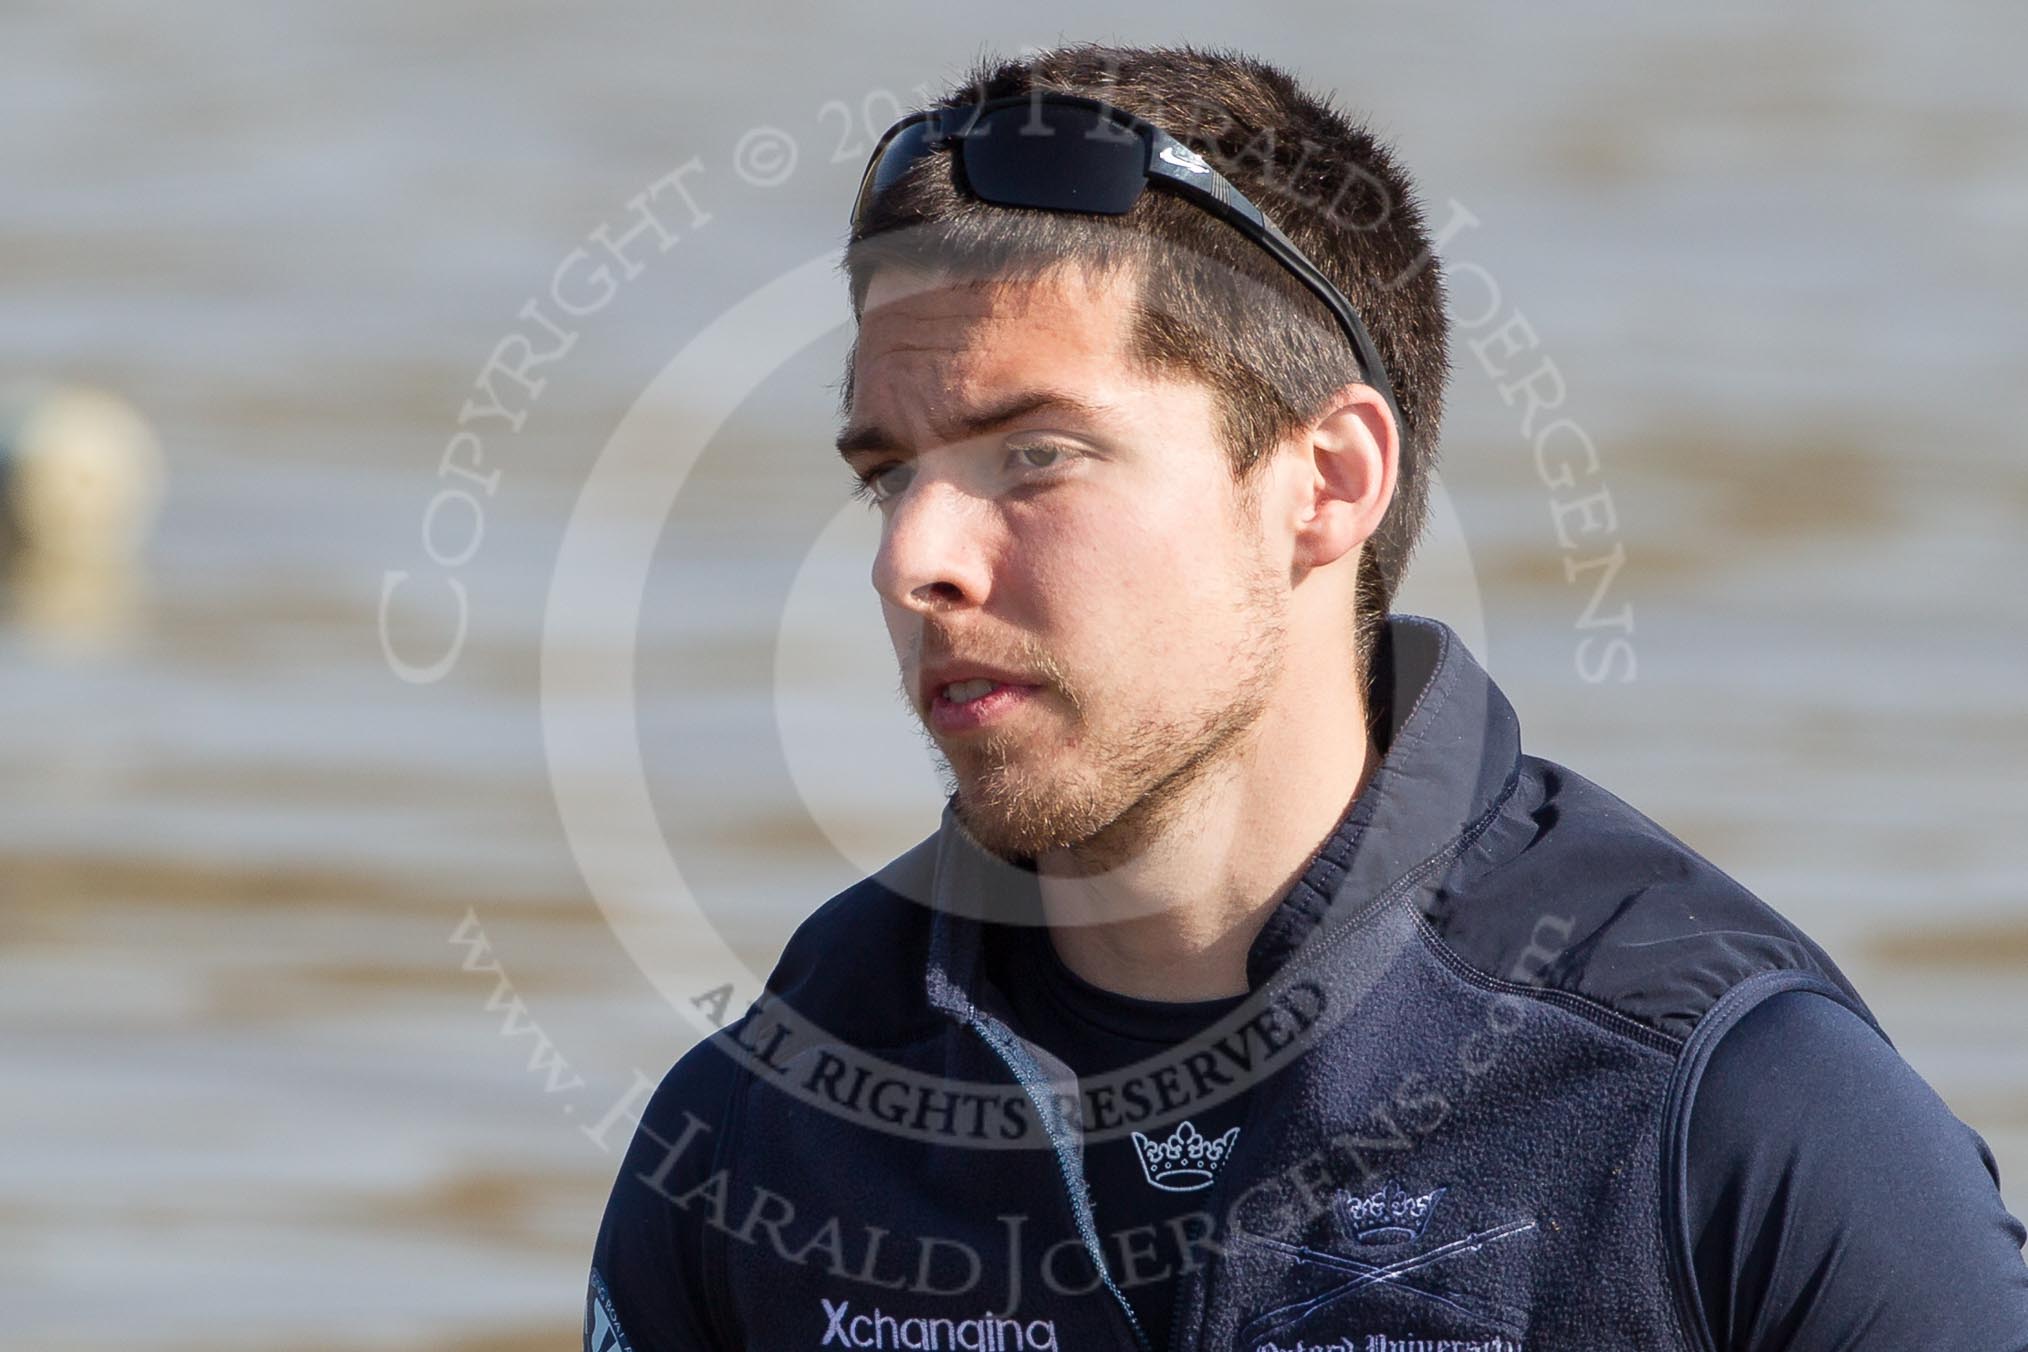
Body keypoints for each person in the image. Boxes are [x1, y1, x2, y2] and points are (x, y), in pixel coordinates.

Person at [587, 43, 2028, 1351]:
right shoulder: (759, 1136)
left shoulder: (1729, 1115)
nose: (914, 560)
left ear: (1328, 483)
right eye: (890, 475)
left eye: (1033, 456)